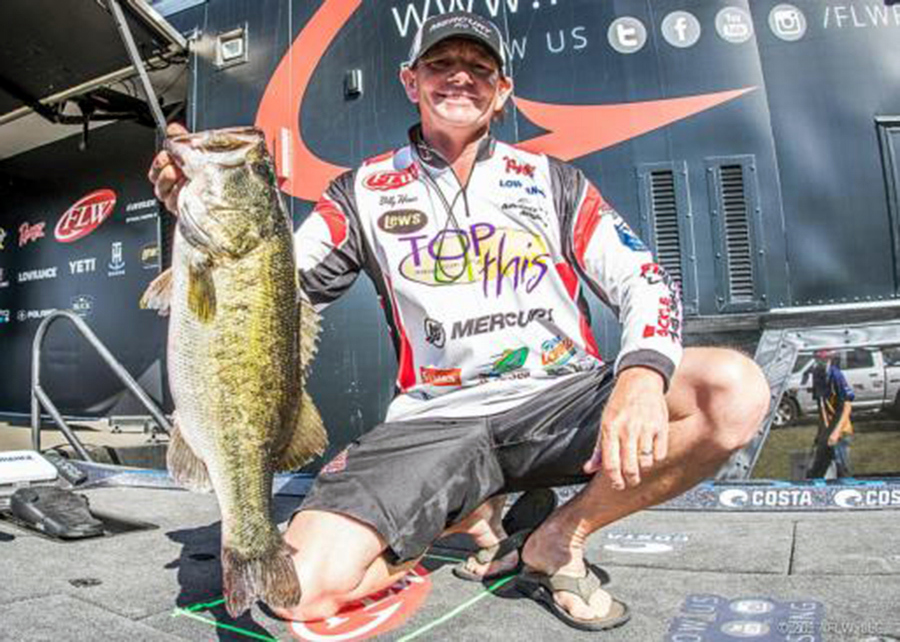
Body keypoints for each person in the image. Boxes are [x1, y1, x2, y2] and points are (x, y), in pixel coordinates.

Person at [149, 11, 769, 631]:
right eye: (440, 65)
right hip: (434, 420)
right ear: (410, 81)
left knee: (732, 391)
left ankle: (555, 536)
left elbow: (644, 279)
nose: (459, 80)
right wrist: (197, 210)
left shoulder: (553, 180)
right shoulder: (360, 191)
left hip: (558, 401)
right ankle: (467, 510)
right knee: (299, 595)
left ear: (502, 93)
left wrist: (640, 377)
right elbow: (270, 294)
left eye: (479, 69)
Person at [805, 350, 854, 478]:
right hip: (826, 431)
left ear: (830, 359)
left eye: (824, 359)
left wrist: (835, 433)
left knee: (843, 470)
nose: (820, 362)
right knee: (817, 470)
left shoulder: (836, 376)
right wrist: (821, 432)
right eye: (818, 359)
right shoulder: (817, 375)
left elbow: (846, 406)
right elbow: (822, 406)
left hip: (840, 432)